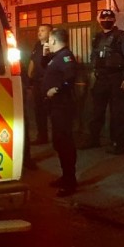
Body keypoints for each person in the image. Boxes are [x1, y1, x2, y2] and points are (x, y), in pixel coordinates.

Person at [80, 9, 124, 154]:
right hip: (100, 78)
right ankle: (94, 139)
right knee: (96, 111)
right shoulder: (97, 37)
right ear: (99, 20)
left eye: (109, 18)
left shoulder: (122, 37)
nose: (106, 20)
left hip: (117, 78)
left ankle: (119, 144)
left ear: (114, 20)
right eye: (103, 18)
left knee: (118, 113)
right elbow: (94, 56)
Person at [40, 28, 78, 197]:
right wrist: (44, 55)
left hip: (63, 107)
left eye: (49, 40)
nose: (48, 42)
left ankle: (70, 181)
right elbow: (45, 69)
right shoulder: (55, 57)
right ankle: (65, 176)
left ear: (54, 40)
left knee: (65, 143)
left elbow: (70, 78)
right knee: (59, 142)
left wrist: (56, 89)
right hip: (55, 107)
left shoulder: (65, 56)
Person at [27, 23, 52, 144]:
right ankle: (42, 136)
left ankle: (58, 137)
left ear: (50, 33)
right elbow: (32, 61)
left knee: (51, 111)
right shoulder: (37, 45)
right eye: (39, 30)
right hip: (37, 82)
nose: (39, 32)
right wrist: (29, 75)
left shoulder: (52, 45)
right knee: (38, 111)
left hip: (48, 82)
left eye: (43, 30)